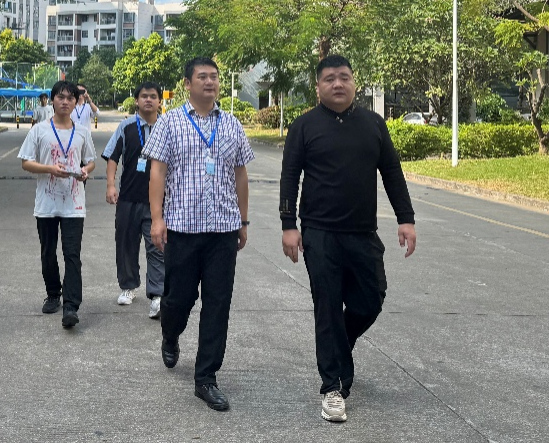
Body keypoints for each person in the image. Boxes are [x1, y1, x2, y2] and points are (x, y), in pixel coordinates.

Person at [279, 54, 417, 423]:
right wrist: (288, 224)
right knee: (327, 306)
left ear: (355, 82)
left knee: (372, 298)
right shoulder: (304, 126)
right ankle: (333, 387)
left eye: (344, 77)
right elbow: (289, 177)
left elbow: (392, 172)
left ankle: (340, 344)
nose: (337, 84)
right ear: (318, 86)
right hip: (319, 233)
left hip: (362, 232)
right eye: (329, 78)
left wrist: (406, 219)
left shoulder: (373, 124)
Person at [143, 57, 254, 412]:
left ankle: (206, 377)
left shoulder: (232, 124)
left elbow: (241, 174)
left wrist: (243, 220)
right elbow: (157, 172)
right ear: (187, 84)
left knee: (218, 303)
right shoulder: (170, 122)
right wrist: (157, 219)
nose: (210, 82)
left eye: (214, 77)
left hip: (223, 230)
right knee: (179, 299)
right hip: (183, 228)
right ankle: (170, 333)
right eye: (202, 77)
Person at [18, 80, 97, 329]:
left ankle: (71, 305)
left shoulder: (82, 132)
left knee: (72, 254)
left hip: (74, 203)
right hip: (46, 203)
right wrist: (49, 169)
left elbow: (91, 161)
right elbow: (25, 162)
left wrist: (85, 170)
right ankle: (53, 294)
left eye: (70, 98)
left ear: (76, 102)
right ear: (52, 100)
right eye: (60, 97)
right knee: (48, 252)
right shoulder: (39, 130)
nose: (65, 102)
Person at [103, 81, 165, 318]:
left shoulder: (167, 127)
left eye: (153, 96)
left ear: (159, 101)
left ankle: (157, 295)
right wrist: (111, 185)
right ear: (137, 101)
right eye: (144, 96)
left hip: (157, 201)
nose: (148, 100)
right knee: (126, 244)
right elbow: (112, 156)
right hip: (128, 197)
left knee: (157, 246)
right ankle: (128, 287)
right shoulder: (126, 126)